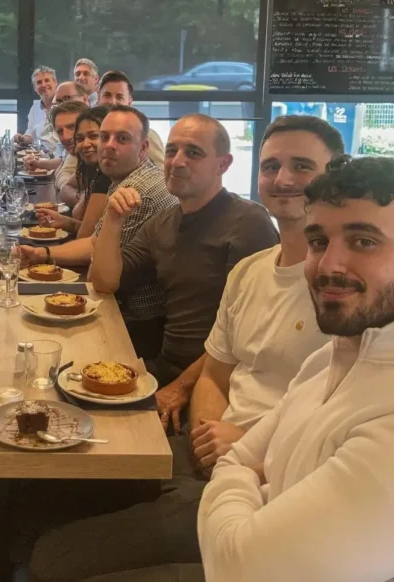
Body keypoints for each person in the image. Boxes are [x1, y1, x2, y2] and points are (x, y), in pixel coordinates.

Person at [29, 115, 341, 582]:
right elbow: (110, 284)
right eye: (272, 165)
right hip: (197, 431)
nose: (283, 179)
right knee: (48, 483)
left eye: (302, 166)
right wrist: (113, 219)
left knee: (52, 557)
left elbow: (332, 423)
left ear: (223, 165)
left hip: (259, 480)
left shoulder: (336, 288)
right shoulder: (237, 261)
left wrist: (224, 441)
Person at [199, 155, 394, 582]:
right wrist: (247, 475)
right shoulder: (327, 359)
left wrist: (243, 481)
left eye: (364, 241)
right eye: (319, 242)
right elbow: (237, 459)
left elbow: (238, 566)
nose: (328, 266)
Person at [91, 114, 279, 419]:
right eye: (171, 151)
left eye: (193, 153)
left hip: (218, 382)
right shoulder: (162, 223)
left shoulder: (248, 223)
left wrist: (181, 388)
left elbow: (247, 334)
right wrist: (113, 220)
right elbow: (104, 282)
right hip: (165, 367)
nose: (177, 162)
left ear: (223, 164)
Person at [20, 106, 178, 357]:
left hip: (135, 322)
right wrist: (42, 253)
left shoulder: (136, 191)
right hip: (130, 311)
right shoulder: (131, 178)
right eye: (105, 137)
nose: (108, 145)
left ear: (144, 148)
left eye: (122, 139)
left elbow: (96, 269)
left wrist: (43, 253)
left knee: (32, 337)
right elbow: (94, 239)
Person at [36, 106, 112, 238]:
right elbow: (92, 233)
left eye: (94, 136)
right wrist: (66, 222)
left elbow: (85, 239)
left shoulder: (109, 174)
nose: (66, 137)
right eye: (80, 138)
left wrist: (45, 253)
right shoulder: (92, 166)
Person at [24, 100, 88, 207]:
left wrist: (70, 192)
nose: (66, 137)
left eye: (72, 127)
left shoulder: (98, 157)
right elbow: (62, 169)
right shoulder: (74, 153)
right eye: (60, 131)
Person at [97, 70, 165, 166]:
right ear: (98, 97)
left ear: (129, 102)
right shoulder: (87, 132)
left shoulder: (146, 135)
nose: (112, 102)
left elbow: (161, 173)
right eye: (107, 95)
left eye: (119, 97)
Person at [14, 66, 59, 151]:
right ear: (35, 88)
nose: (43, 85)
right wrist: (21, 138)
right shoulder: (35, 108)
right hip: (40, 156)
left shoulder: (65, 104)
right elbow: (30, 136)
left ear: (55, 82)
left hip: (62, 156)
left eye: (47, 80)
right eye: (39, 82)